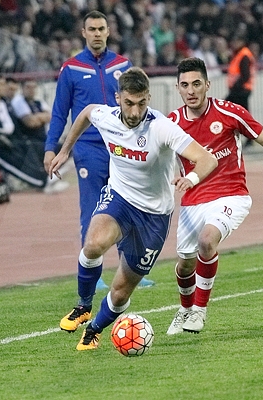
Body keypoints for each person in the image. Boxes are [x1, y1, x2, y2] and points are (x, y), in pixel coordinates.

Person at [46, 67, 218, 351]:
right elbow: (87, 111)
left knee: (121, 290)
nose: (135, 111)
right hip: (120, 198)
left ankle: (95, 329)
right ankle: (83, 305)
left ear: (148, 98)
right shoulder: (106, 117)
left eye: (141, 103)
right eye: (129, 103)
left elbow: (207, 160)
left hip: (153, 217)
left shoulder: (161, 127)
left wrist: (191, 178)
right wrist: (66, 150)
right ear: (118, 99)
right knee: (93, 245)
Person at [165, 57, 263, 335]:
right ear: (178, 88)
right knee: (185, 264)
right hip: (192, 201)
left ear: (208, 85)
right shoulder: (172, 123)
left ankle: (199, 312)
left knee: (206, 241)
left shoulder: (229, 112)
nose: (191, 90)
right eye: (185, 85)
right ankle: (185, 309)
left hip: (230, 195)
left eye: (197, 84)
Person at [44, 11, 153, 307]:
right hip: (89, 147)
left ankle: (131, 269)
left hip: (121, 146)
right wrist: (51, 147)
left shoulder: (123, 65)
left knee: (130, 205)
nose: (96, 33)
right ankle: (96, 272)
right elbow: (59, 112)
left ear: (108, 31)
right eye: (91, 29)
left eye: (101, 28)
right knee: (92, 208)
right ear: (83, 32)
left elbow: (139, 105)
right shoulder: (71, 68)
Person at [0, 75, 63, 193]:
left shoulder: (3, 102)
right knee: (10, 161)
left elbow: (8, 125)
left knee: (25, 151)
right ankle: (41, 182)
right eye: (1, 85)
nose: (4, 87)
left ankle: (45, 176)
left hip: (2, 140)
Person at [225, 35, 256, 112]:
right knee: (243, 113)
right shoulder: (238, 54)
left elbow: (245, 75)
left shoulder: (243, 55)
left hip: (240, 90)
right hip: (240, 89)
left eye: (236, 41)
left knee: (226, 108)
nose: (234, 44)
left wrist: (236, 86)